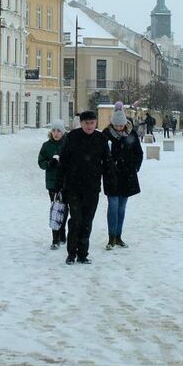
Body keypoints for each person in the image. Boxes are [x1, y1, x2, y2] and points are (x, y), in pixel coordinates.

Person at [58, 110, 109, 264]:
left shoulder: (101, 139)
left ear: (96, 123)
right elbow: (64, 162)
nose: (89, 126)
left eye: (92, 123)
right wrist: (59, 184)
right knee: (76, 220)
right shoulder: (72, 137)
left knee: (87, 221)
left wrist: (110, 182)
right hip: (73, 187)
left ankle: (83, 254)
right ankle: (71, 253)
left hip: (92, 188)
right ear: (81, 123)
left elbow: (107, 163)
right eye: (86, 123)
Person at [102, 103, 142, 250]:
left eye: (121, 126)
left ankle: (118, 236)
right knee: (113, 206)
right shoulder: (106, 135)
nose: (119, 129)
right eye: (116, 126)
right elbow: (102, 155)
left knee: (121, 208)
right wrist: (106, 168)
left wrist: (135, 168)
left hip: (127, 175)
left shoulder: (131, 134)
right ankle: (111, 237)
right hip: (111, 176)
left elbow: (139, 153)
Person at [38, 120, 68, 250]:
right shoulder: (46, 146)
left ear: (63, 132)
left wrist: (64, 163)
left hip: (66, 182)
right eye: (54, 130)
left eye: (59, 131)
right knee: (55, 209)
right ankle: (55, 238)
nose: (56, 133)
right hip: (52, 182)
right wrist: (50, 163)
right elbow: (40, 162)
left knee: (65, 209)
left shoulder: (67, 144)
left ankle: (62, 231)